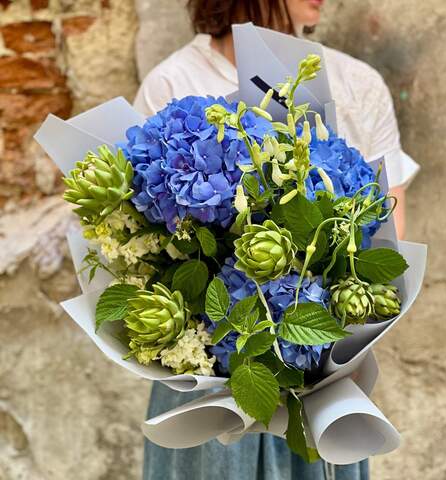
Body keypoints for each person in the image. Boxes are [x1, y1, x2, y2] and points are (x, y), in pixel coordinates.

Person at [134, 1, 419, 479]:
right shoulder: (172, 82)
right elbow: (142, 240)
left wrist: (320, 308)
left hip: (319, 381)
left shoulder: (356, 82)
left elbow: (389, 227)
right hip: (205, 389)